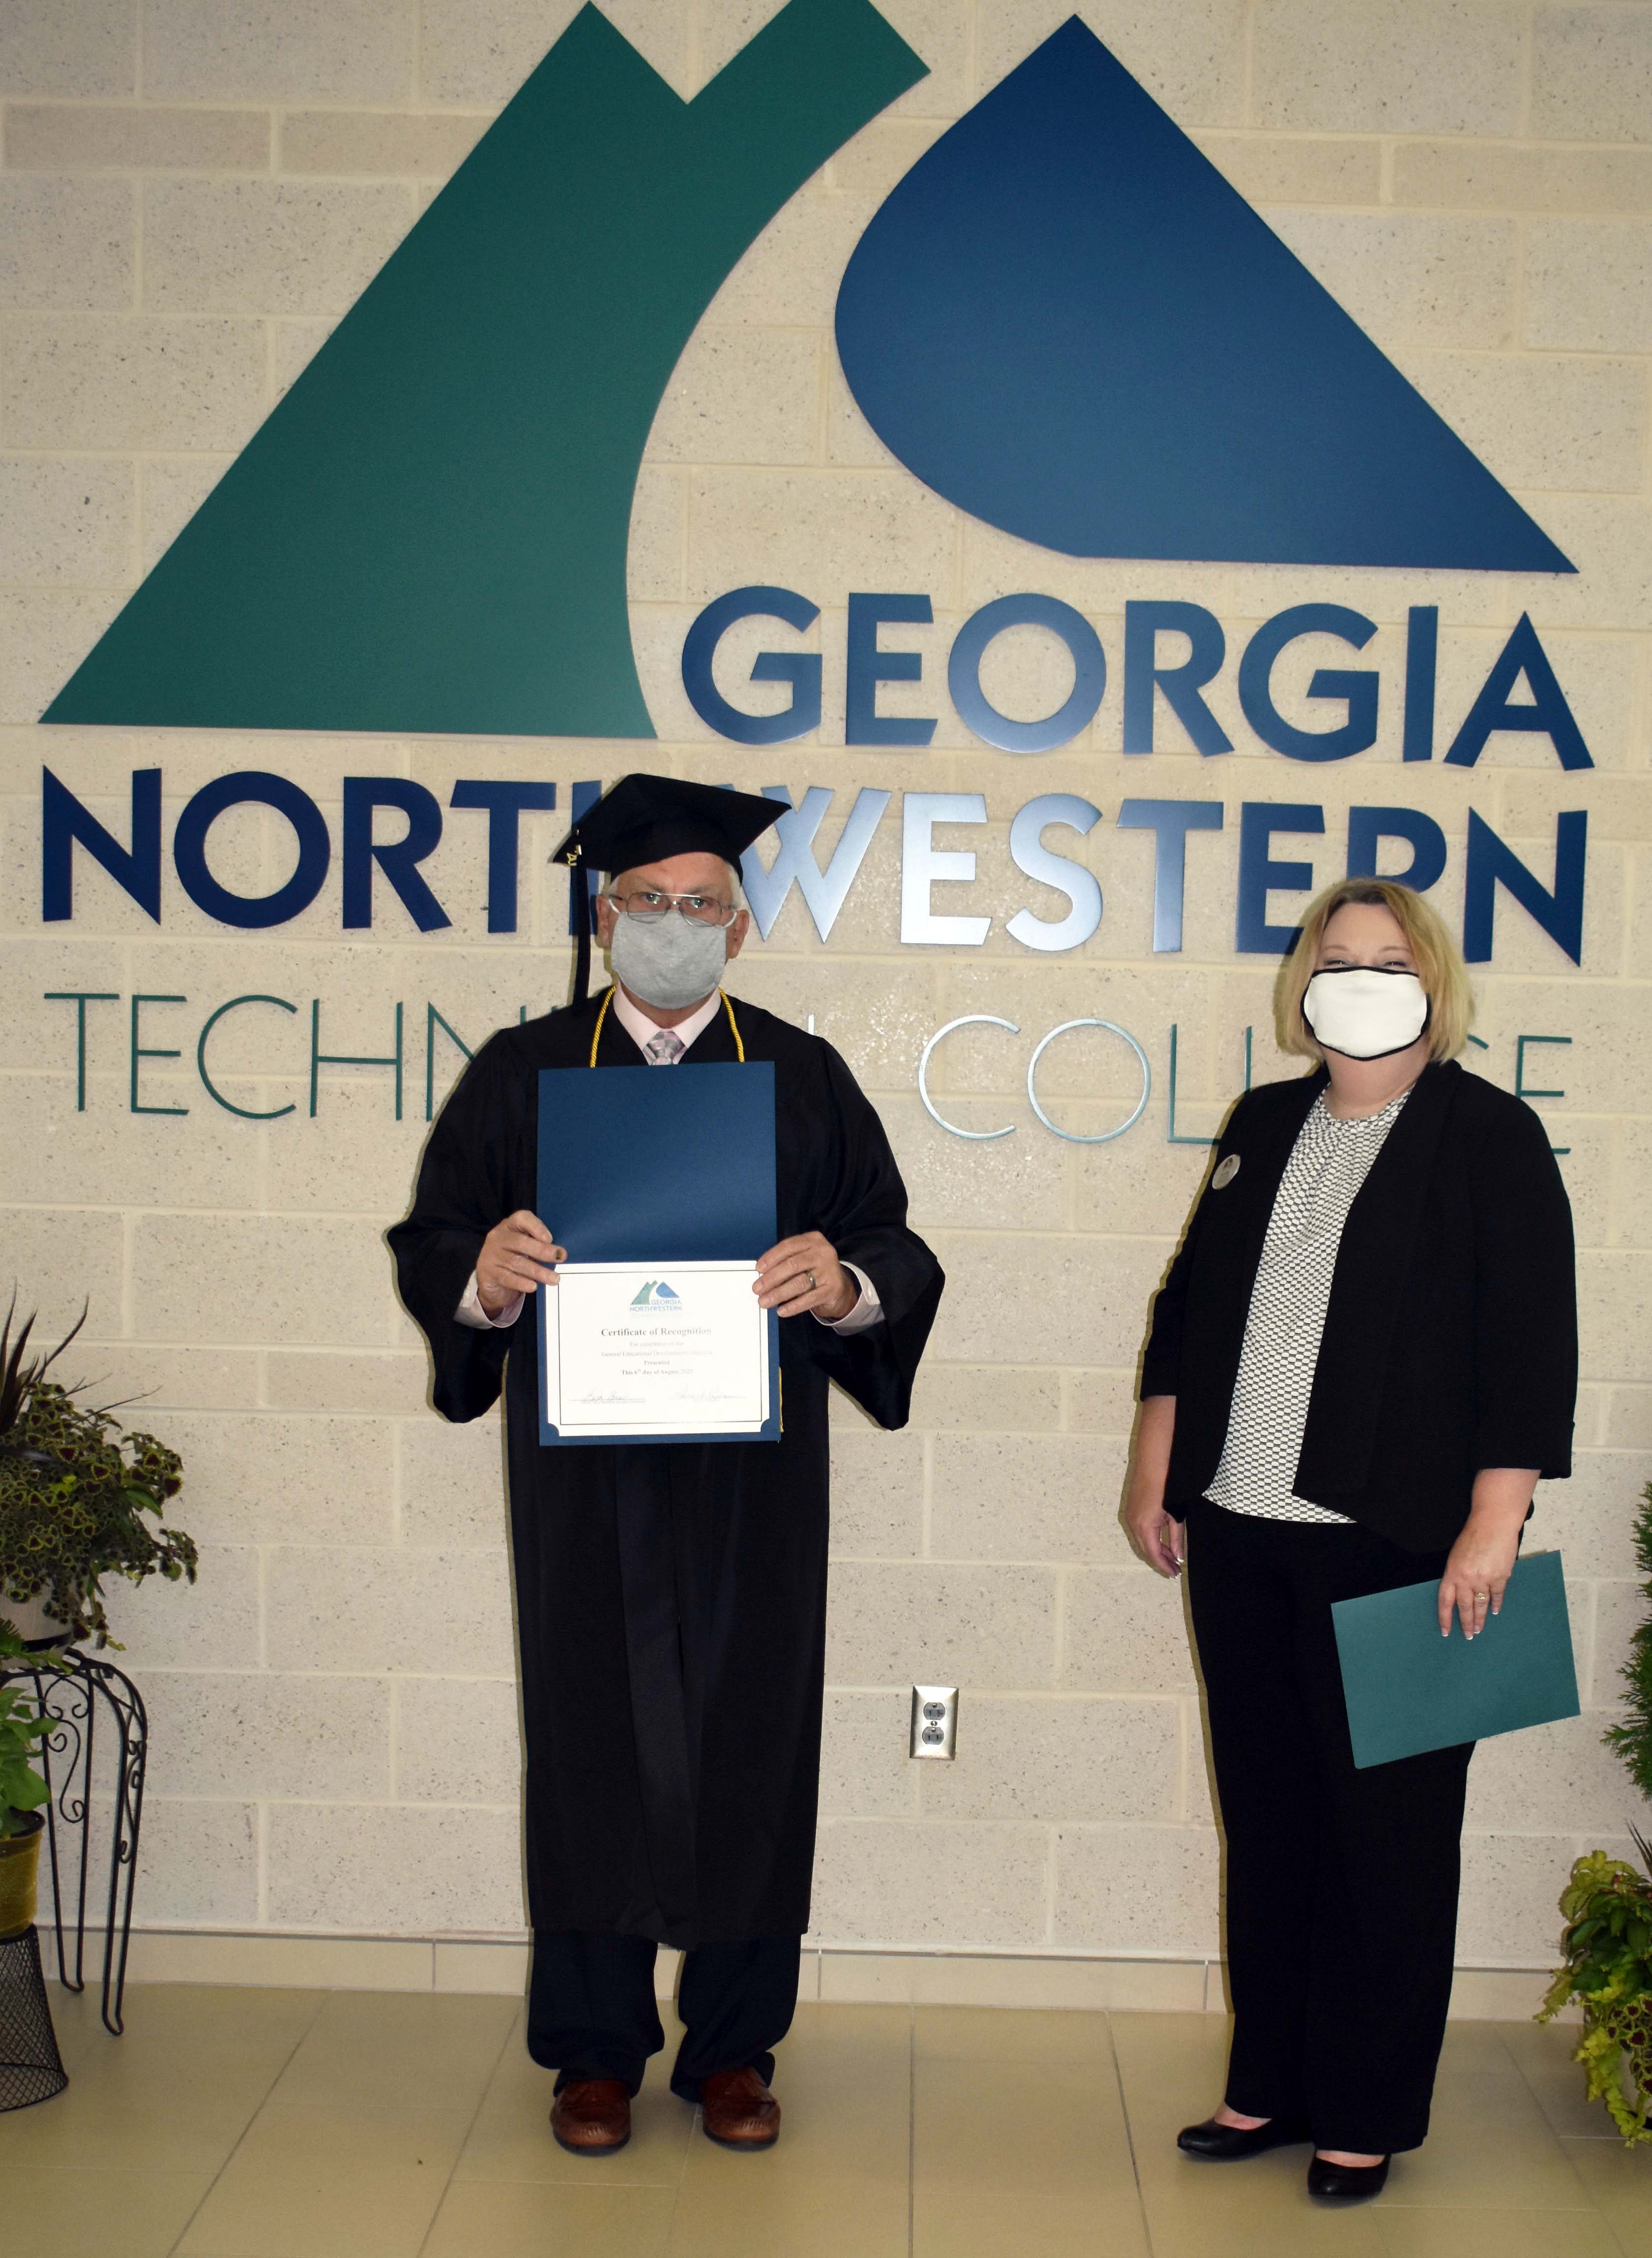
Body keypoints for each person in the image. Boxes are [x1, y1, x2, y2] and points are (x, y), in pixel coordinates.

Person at [388, 775, 943, 2158]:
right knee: (588, 1740)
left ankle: (737, 2052)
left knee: (756, 1737)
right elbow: (434, 1240)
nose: (673, 925)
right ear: (602, 917)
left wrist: (846, 1282)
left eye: (702, 905)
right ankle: (592, 2053)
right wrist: (484, 1280)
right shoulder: (523, 1072)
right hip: (587, 1477)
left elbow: (897, 1246)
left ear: (740, 931)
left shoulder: (802, 1076)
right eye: (648, 903)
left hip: (754, 1483)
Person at [1123, 877, 1576, 2202]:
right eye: (1340, 958)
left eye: (1391, 960)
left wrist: (1494, 1525)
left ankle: (1364, 2109)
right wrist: (1162, 1465)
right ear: (1305, 983)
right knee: (1269, 1823)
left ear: (1433, 985)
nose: (1362, 978)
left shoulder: (1489, 1136)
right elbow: (1189, 1304)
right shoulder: (1264, 1125)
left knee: (1390, 1839)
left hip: (1405, 1543)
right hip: (1244, 1531)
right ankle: (1269, 2083)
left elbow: (1531, 1347)